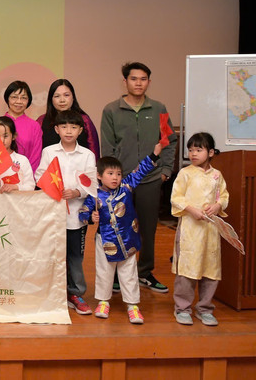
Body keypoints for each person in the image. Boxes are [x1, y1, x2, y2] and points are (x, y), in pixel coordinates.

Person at [101, 62, 176, 293]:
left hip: (151, 179)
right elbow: (108, 146)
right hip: (120, 182)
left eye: (143, 79)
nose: (138, 83)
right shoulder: (111, 110)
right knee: (118, 227)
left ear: (149, 82)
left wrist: (165, 170)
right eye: (134, 79)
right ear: (125, 82)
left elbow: (169, 141)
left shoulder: (159, 109)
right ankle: (116, 274)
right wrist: (114, 177)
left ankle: (144, 272)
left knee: (148, 228)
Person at [79, 142, 163, 326]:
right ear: (99, 176)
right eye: (110, 174)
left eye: (118, 173)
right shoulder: (94, 195)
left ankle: (132, 305)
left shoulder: (126, 187)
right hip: (105, 241)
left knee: (129, 273)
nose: (115, 177)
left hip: (128, 241)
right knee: (104, 272)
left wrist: (155, 154)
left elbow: (140, 171)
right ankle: (103, 302)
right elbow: (83, 213)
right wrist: (91, 217)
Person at [34, 110, 97, 315]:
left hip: (77, 216)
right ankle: (52, 292)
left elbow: (92, 183)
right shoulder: (49, 152)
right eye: (64, 127)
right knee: (52, 255)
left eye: (73, 127)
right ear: (56, 129)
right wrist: (53, 188)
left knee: (75, 256)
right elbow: (40, 176)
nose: (68, 131)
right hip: (54, 214)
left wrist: (76, 192)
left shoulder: (87, 155)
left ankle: (76, 293)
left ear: (80, 130)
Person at [170, 132, 229, 327]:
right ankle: (183, 308)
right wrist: (191, 210)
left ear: (211, 152)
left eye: (198, 149)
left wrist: (218, 206)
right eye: (190, 150)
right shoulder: (185, 173)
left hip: (210, 231)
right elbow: (176, 197)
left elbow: (224, 196)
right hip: (190, 229)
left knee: (210, 268)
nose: (193, 153)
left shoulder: (217, 175)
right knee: (187, 268)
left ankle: (204, 308)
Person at [37, 79, 100, 157]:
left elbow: (94, 151)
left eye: (66, 95)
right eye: (57, 96)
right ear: (51, 99)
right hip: (49, 167)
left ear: (73, 97)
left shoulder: (84, 120)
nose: (62, 100)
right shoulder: (41, 121)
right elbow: (36, 151)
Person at [0, 117, 35, 191]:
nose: (1, 140)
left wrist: (16, 187)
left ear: (14, 136)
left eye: (5, 136)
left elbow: (30, 186)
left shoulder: (22, 160)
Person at [3, 80, 42, 173]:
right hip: (2, 178)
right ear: (7, 99)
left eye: (23, 98)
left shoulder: (34, 125)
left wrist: (26, 178)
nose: (19, 101)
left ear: (28, 100)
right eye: (14, 97)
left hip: (26, 180)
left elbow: (36, 156)